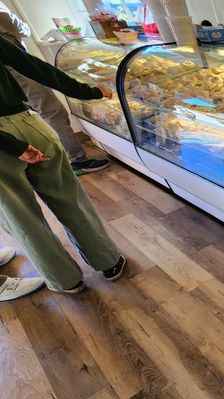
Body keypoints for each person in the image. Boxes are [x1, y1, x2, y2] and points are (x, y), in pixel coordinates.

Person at [0, 35, 127, 297]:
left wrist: (14, 148)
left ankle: (66, 280)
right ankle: (108, 261)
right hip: (27, 124)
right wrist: (87, 91)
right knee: (69, 197)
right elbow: (34, 67)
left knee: (22, 217)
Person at [0, 1, 111, 175]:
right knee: (52, 111)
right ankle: (76, 160)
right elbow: (23, 34)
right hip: (15, 72)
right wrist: (90, 92)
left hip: (14, 74)